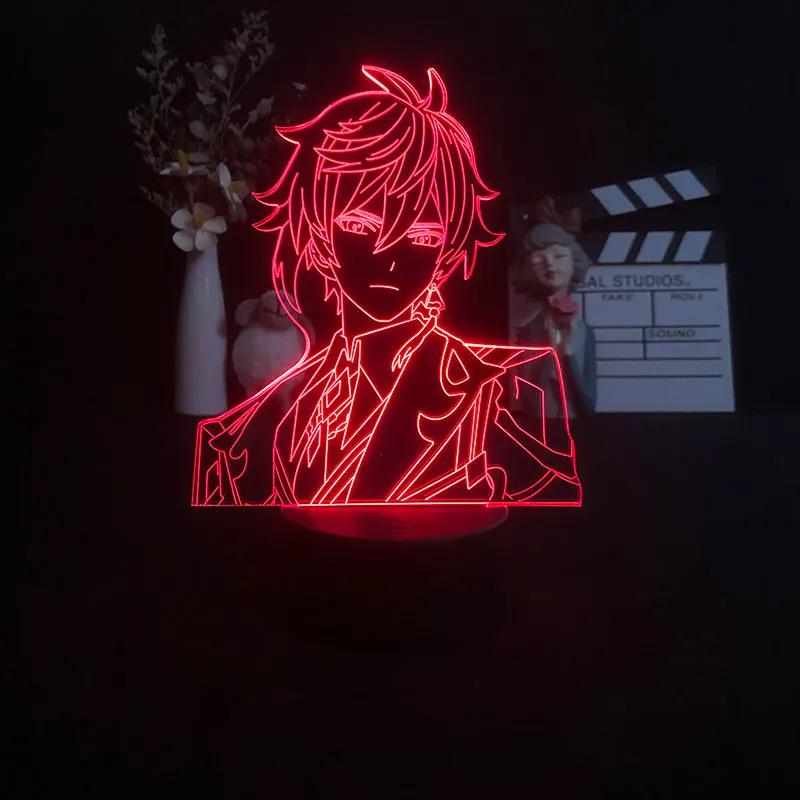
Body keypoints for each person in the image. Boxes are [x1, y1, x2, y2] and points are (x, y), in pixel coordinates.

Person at [192, 66, 581, 507]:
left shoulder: (504, 391)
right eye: (360, 225)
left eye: (423, 237)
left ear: (445, 253)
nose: (390, 258)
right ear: (319, 232)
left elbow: (541, 504)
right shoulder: (236, 443)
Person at [509, 198, 597, 418]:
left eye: (559, 256)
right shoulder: (527, 330)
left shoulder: (584, 331)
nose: (550, 264)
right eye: (539, 260)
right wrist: (549, 350)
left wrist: (565, 353)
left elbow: (588, 403)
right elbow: (528, 402)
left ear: (574, 262)